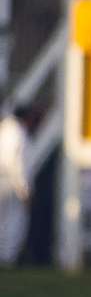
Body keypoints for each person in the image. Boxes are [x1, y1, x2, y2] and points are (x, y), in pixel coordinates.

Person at [0, 104, 30, 265]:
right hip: (10, 182)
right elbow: (17, 163)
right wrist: (23, 188)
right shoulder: (18, 132)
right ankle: (7, 257)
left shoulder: (4, 128)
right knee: (14, 220)